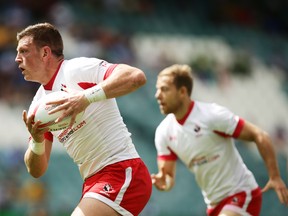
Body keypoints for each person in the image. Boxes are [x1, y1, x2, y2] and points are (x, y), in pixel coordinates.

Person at [15, 22, 152, 216]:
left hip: (121, 171)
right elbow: (37, 170)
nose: (17, 59)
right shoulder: (38, 104)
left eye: (24, 51)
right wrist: (37, 141)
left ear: (45, 53)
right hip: (93, 181)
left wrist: (85, 98)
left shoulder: (76, 69)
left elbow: (136, 76)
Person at [151, 64, 288, 216]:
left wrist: (274, 176)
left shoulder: (211, 115)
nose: (157, 95)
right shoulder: (163, 132)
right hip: (214, 205)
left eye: (164, 89)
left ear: (182, 91)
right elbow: (167, 177)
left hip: (241, 194)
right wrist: (164, 182)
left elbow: (260, 135)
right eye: (157, 89)